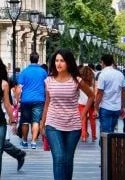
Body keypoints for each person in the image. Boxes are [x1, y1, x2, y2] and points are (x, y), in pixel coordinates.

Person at [40, 49, 96, 180]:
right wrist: (42, 123)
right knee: (59, 158)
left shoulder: (76, 80)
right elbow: (47, 103)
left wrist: (82, 115)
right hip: (53, 124)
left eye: (62, 61)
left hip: (73, 126)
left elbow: (91, 96)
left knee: (67, 159)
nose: (59, 64)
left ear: (69, 63)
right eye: (57, 60)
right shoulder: (49, 81)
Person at [17, 52, 48, 149]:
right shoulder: (43, 72)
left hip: (26, 99)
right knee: (36, 121)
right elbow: (47, 87)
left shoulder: (24, 71)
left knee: (25, 121)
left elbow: (19, 88)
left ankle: (25, 141)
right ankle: (34, 142)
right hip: (39, 99)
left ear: (30, 59)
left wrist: (17, 100)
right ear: (38, 59)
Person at [94, 54, 125, 140]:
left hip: (105, 107)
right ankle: (110, 152)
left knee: (105, 134)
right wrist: (123, 106)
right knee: (112, 132)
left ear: (102, 62)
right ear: (112, 62)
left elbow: (100, 93)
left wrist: (96, 107)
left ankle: (105, 152)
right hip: (116, 108)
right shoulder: (120, 74)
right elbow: (123, 91)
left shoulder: (103, 75)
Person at [78, 65, 97, 142]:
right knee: (92, 120)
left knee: (83, 120)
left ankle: (84, 136)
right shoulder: (92, 80)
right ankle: (94, 135)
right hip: (91, 102)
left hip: (81, 102)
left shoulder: (80, 81)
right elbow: (95, 90)